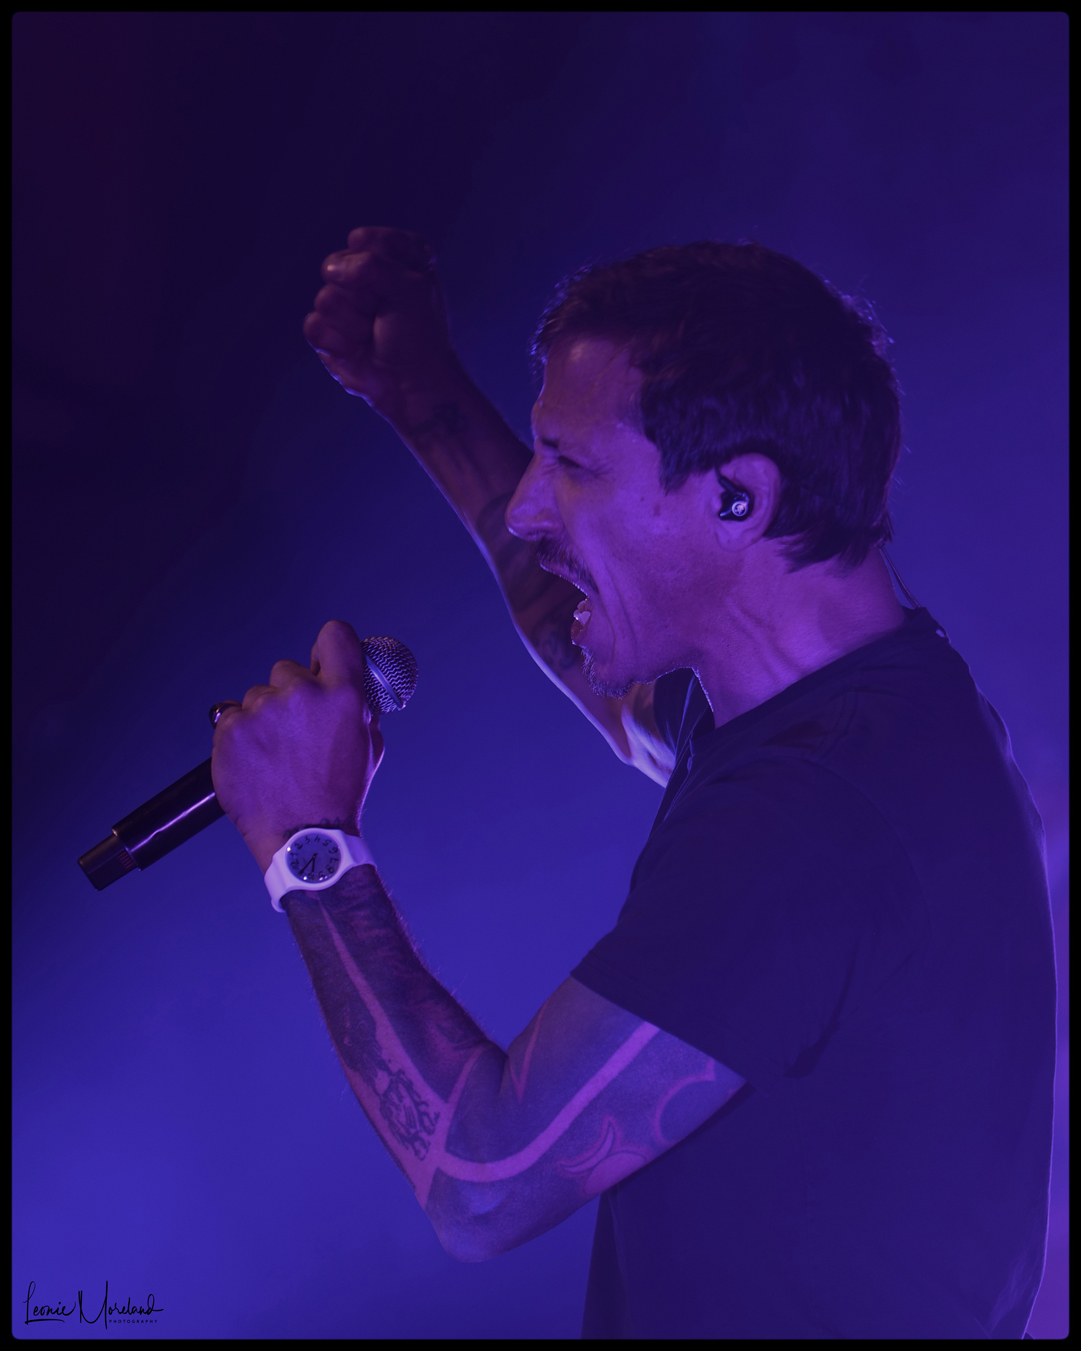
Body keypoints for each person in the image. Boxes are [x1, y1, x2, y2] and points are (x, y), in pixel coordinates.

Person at [210, 229, 1056, 1338]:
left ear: (737, 497)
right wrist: (426, 403)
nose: (528, 505)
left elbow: (482, 1180)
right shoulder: (845, 704)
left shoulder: (814, 820)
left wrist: (307, 843)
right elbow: (593, 659)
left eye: (571, 465)